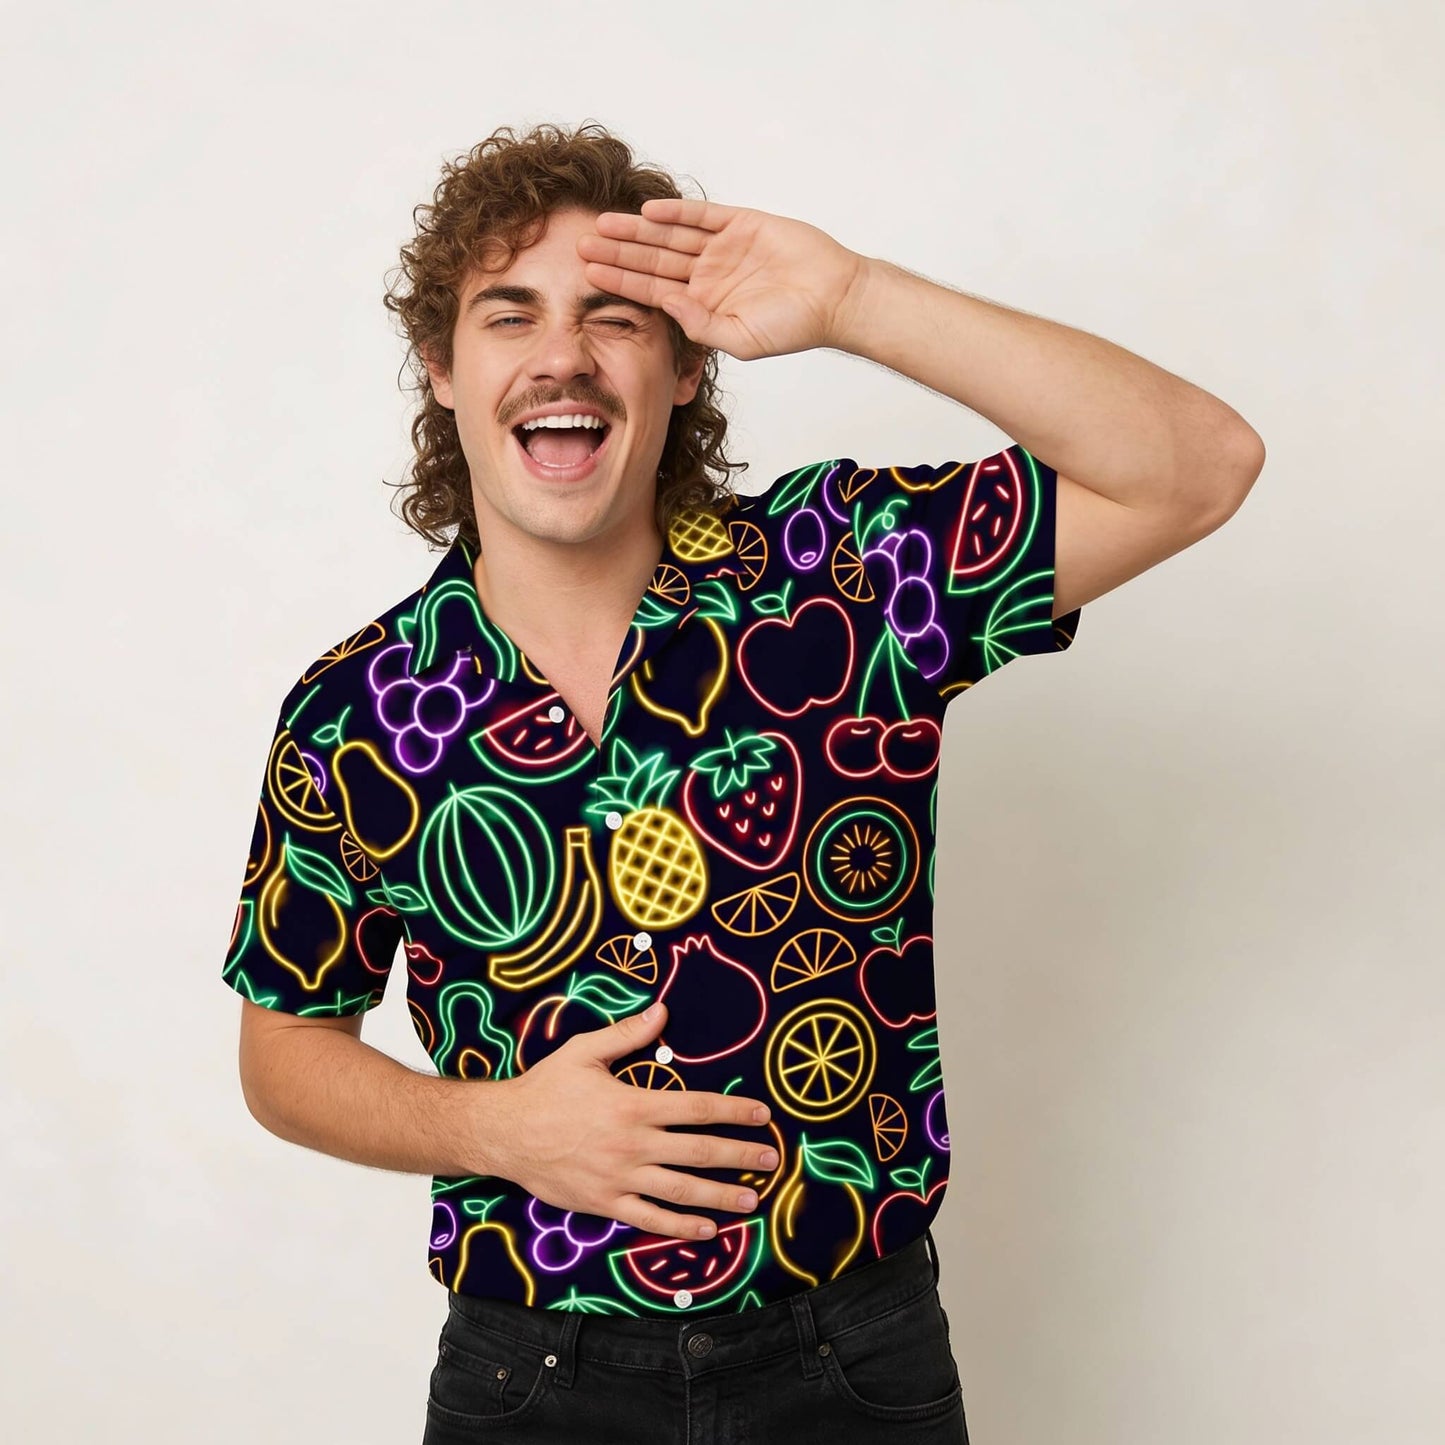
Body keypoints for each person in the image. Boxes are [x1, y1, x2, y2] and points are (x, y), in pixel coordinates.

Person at [223, 121, 1264, 1443]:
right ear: (441, 365)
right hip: (527, 1378)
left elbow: (1194, 464)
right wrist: (496, 1128)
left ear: (681, 362)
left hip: (849, 1359)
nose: (563, 356)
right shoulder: (357, 709)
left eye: (615, 316)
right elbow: (282, 1047)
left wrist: (851, 299)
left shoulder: (842, 581)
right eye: (510, 316)